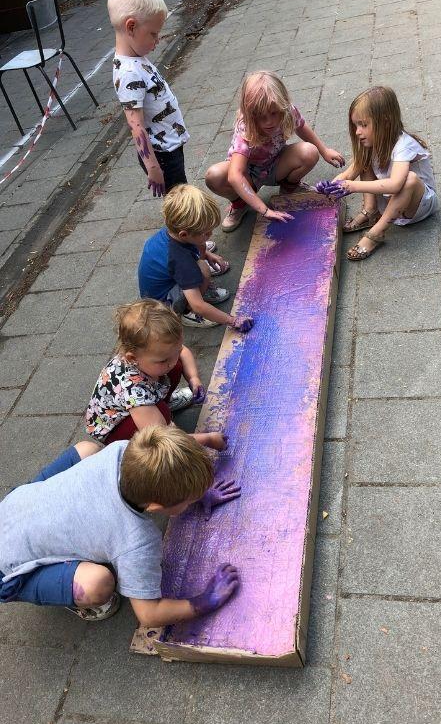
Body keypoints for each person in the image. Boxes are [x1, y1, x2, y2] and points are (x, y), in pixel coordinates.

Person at [0, 426, 240, 624]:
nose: (193, 501)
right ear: (155, 506)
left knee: (87, 449)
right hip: (9, 568)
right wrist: (205, 601)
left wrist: (208, 440)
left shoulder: (122, 450)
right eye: (189, 500)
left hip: (14, 506)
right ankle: (74, 598)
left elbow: (164, 449)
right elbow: (149, 614)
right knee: (98, 584)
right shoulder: (136, 541)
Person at [205, 70, 345, 232]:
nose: (269, 122)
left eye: (273, 113)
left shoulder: (287, 111)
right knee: (214, 176)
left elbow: (301, 127)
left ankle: (289, 187)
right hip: (248, 174)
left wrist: (324, 150)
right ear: (250, 113)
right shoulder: (246, 126)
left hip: (276, 164)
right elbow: (235, 175)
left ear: (282, 104)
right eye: (261, 116)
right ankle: (240, 203)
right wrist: (264, 210)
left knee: (310, 152)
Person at [316, 86, 438, 260]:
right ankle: (371, 211)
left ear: (385, 122)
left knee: (409, 180)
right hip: (392, 201)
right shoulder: (372, 143)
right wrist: (331, 186)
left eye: (363, 125)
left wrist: (352, 186)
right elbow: (348, 175)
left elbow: (395, 184)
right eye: (355, 125)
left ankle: (376, 233)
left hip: (419, 206)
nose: (357, 132)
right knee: (364, 161)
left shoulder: (404, 146)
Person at [86, 299, 225, 450]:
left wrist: (193, 378)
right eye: (163, 360)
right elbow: (165, 439)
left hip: (141, 395)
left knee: (178, 367)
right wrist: (208, 439)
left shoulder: (151, 356)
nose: (172, 362)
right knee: (161, 421)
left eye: (175, 352)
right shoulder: (134, 393)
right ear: (132, 358)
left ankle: (164, 402)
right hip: (117, 428)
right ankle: (136, 444)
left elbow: (183, 352)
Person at [107, 0, 189, 197]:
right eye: (153, 33)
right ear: (131, 27)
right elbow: (136, 125)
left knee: (180, 197)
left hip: (169, 146)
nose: (157, 39)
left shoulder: (135, 59)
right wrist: (153, 167)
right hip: (162, 155)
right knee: (181, 203)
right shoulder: (128, 72)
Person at [157, 184, 254, 331]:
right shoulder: (181, 260)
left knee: (201, 251)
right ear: (184, 234)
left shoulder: (173, 229)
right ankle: (188, 313)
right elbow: (199, 305)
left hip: (168, 281)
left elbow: (192, 246)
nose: (211, 235)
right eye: (206, 233)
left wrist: (206, 253)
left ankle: (195, 290)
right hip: (165, 305)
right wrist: (232, 320)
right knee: (204, 271)